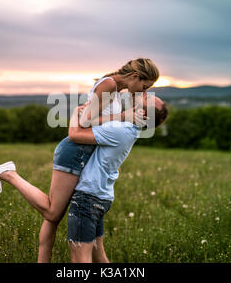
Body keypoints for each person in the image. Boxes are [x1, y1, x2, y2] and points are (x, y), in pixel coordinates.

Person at [0, 58, 160, 262]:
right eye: (146, 86)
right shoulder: (109, 85)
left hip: (83, 151)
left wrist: (122, 116)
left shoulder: (115, 88)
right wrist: (123, 116)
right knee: (52, 212)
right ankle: (9, 174)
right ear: (135, 76)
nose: (145, 91)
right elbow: (84, 122)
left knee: (53, 217)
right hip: (76, 151)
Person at [66, 93, 168, 263]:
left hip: (87, 198)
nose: (144, 94)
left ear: (143, 114)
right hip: (100, 197)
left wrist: (76, 112)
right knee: (100, 257)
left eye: (147, 98)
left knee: (80, 258)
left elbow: (75, 134)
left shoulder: (121, 130)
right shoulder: (126, 127)